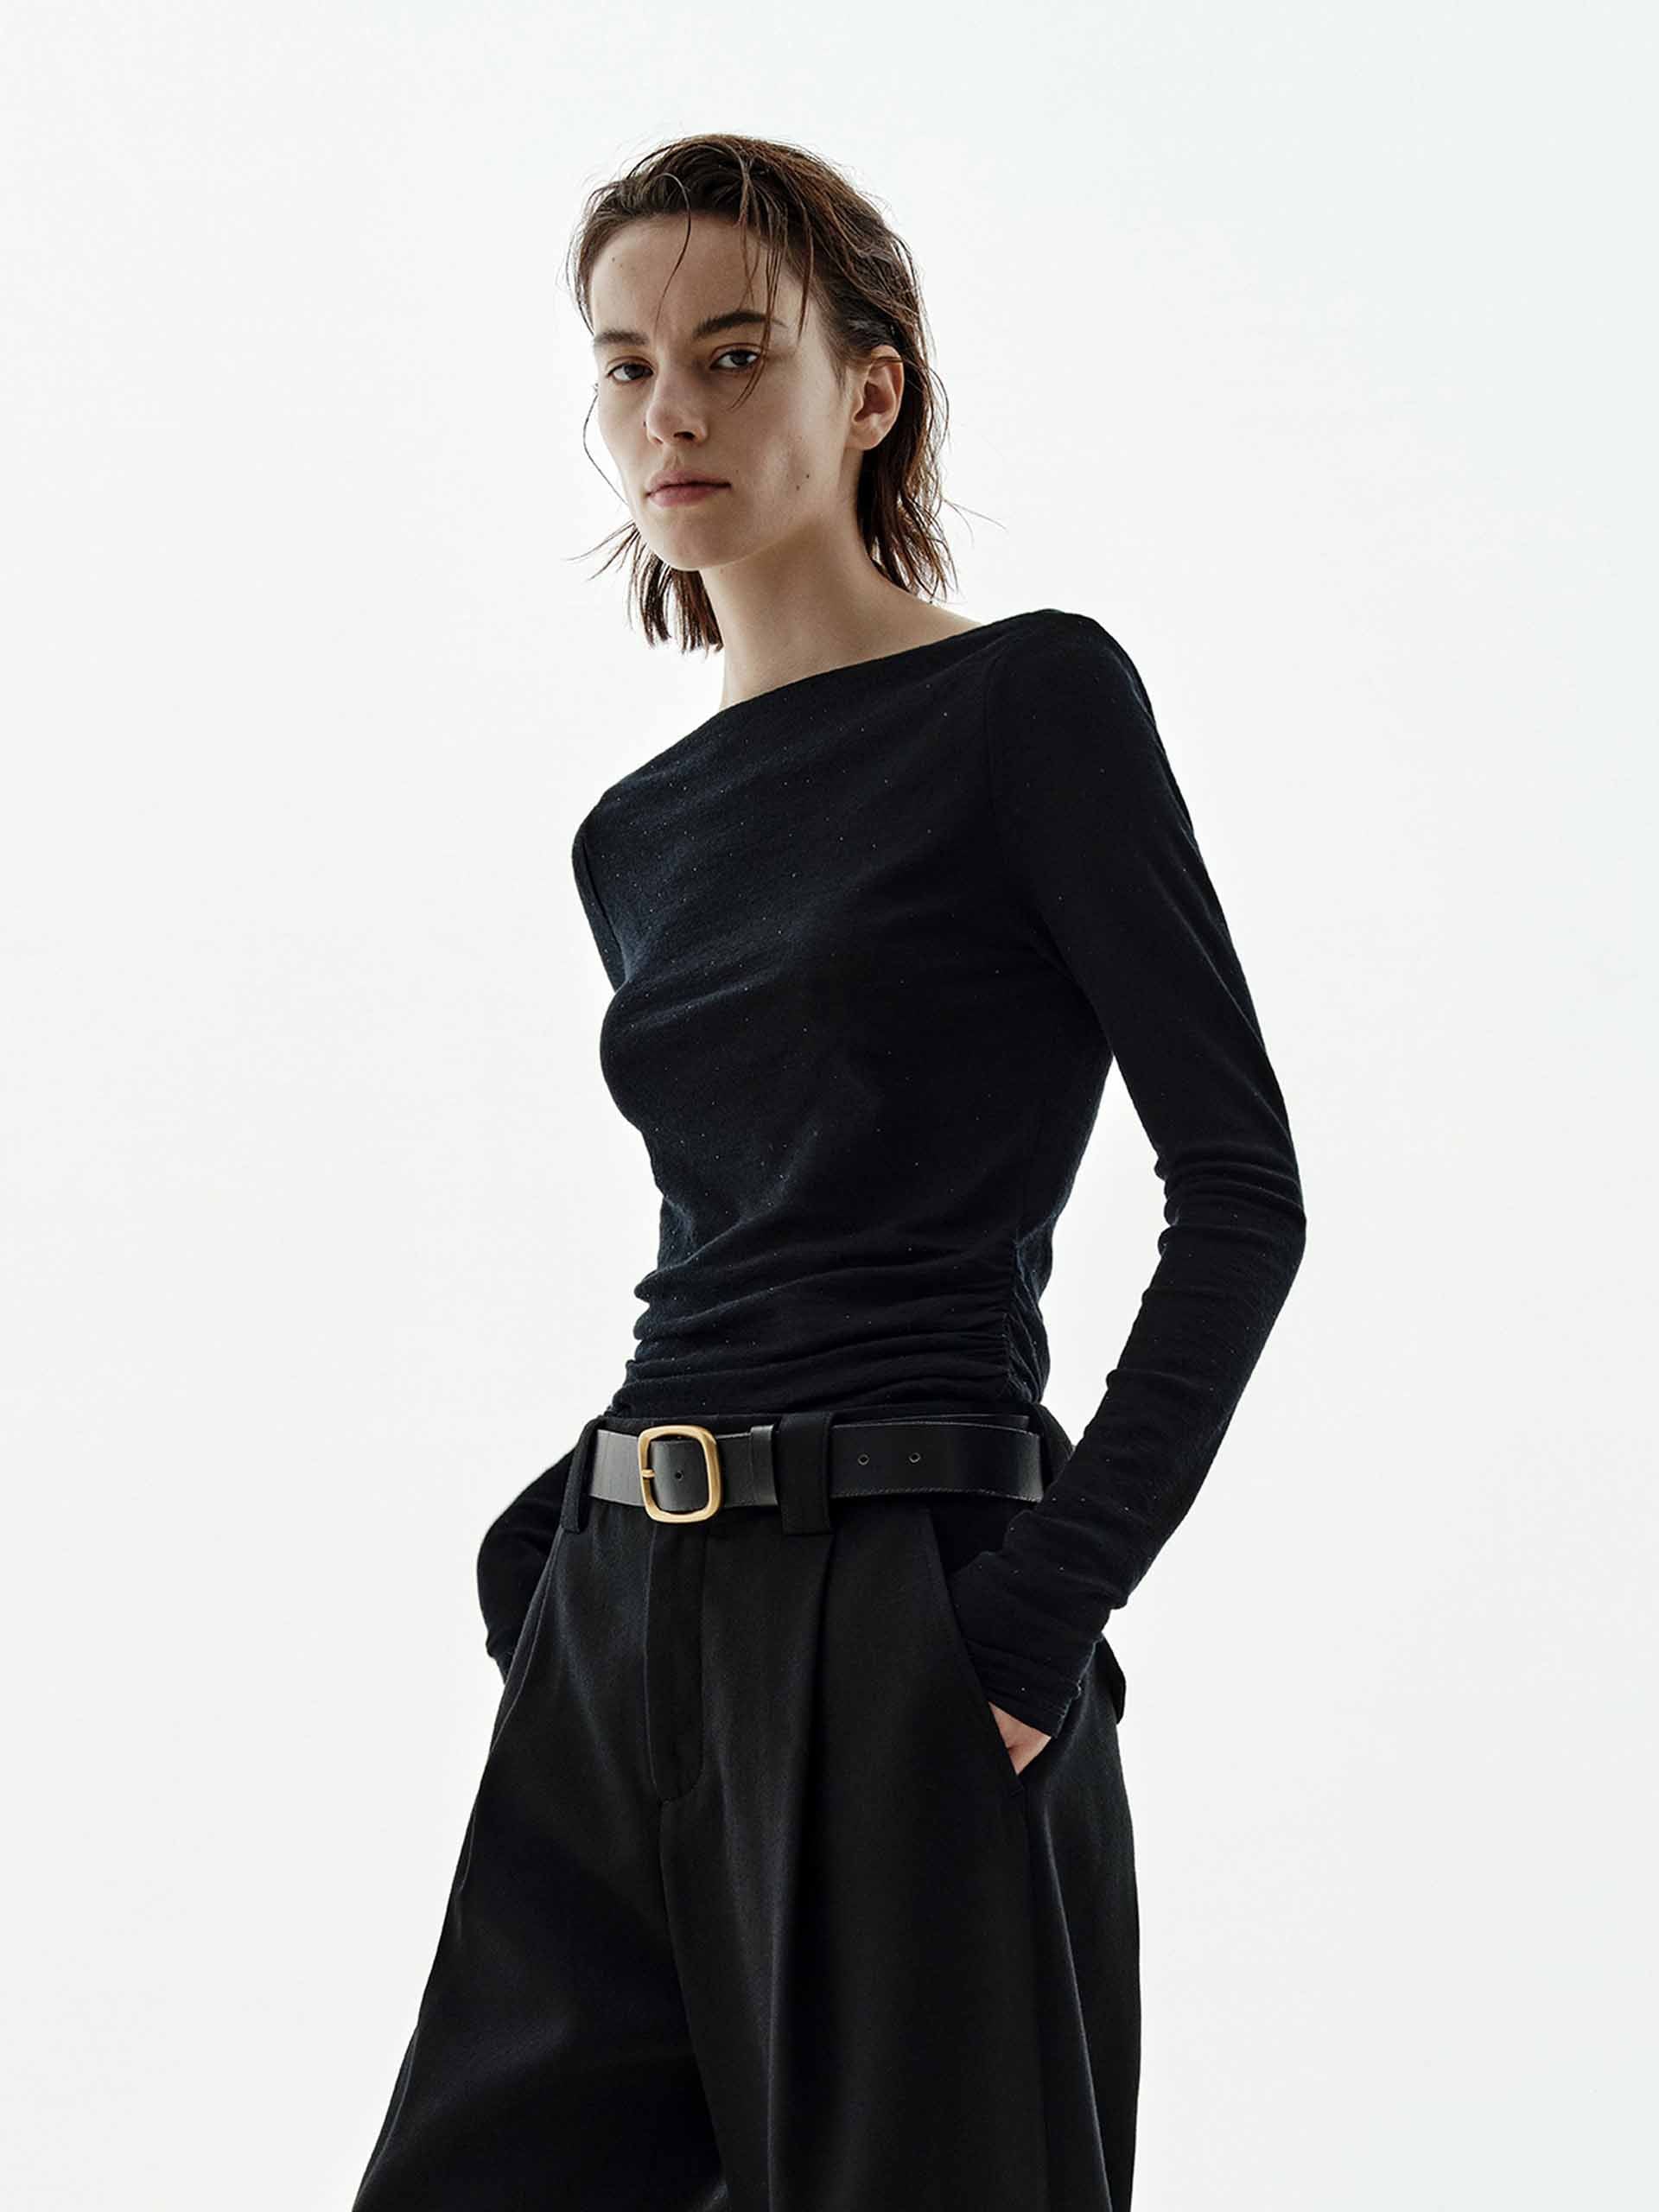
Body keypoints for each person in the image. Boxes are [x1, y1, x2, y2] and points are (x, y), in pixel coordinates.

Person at [350, 133, 1306, 2212]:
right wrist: (562, 1564)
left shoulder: (1030, 703)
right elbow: (739, 1227)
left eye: (730, 353)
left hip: (905, 1609)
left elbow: (1243, 1190)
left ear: (870, 388)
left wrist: (1033, 1626)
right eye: (624, 367)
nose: (668, 414)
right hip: (629, 1613)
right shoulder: (637, 832)